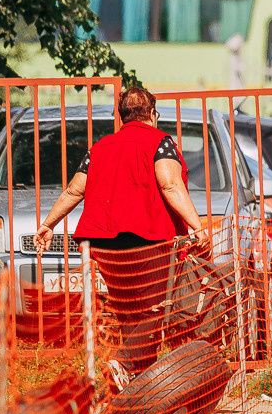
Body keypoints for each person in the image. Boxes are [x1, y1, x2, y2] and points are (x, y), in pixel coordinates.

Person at [34, 87, 210, 381]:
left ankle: (136, 382)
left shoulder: (99, 148)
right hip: (148, 241)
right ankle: (125, 363)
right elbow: (170, 186)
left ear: (122, 116)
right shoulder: (160, 142)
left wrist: (48, 224)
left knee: (131, 312)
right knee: (156, 310)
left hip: (105, 245)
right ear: (153, 115)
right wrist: (198, 226)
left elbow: (74, 190)